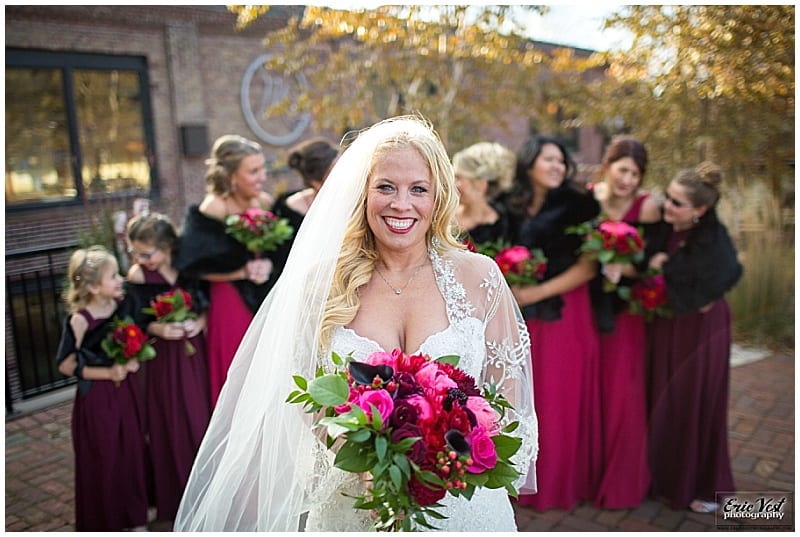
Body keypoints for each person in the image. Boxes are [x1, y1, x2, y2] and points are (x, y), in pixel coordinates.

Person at [174, 115, 538, 531]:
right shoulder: (321, 284)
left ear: (438, 196)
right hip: (355, 503)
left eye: (418, 188)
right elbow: (303, 395)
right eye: (385, 187)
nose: (401, 204)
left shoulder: (480, 276)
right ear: (361, 193)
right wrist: (368, 462)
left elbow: (505, 397)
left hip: (463, 505)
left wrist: (448, 459)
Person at [507, 135, 603, 511]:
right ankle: (519, 476)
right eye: (549, 159)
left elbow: (588, 267)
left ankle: (556, 484)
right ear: (529, 163)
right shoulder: (512, 205)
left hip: (565, 309)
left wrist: (536, 293)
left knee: (557, 395)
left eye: (561, 161)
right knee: (527, 394)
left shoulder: (580, 205)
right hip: (521, 311)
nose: (557, 167)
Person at [645, 162, 742, 513]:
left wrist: (664, 267)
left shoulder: (713, 242)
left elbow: (707, 293)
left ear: (700, 210)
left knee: (696, 400)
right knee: (664, 398)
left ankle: (703, 483)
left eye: (677, 202)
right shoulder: (665, 228)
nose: (667, 205)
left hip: (701, 331)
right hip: (668, 325)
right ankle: (664, 478)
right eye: (667, 196)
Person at [172, 134, 275, 407]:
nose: (261, 177)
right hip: (228, 297)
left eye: (262, 169)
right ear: (231, 176)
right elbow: (193, 264)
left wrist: (266, 263)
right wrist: (241, 272)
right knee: (236, 363)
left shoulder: (262, 202)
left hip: (262, 294)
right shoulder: (214, 207)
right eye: (253, 171)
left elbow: (275, 249)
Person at [125, 213, 211, 528]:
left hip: (193, 353)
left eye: (147, 253)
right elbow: (132, 320)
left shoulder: (187, 265)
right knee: (169, 420)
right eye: (135, 252)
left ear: (166, 246)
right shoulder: (137, 277)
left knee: (200, 414)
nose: (140, 259)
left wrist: (198, 323)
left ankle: (206, 491)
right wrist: (157, 329)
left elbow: (205, 303)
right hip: (162, 358)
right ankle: (174, 498)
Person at [589, 136, 660, 509]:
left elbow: (653, 263)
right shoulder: (590, 198)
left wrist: (623, 267)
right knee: (590, 391)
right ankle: (587, 474)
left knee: (621, 392)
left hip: (628, 312)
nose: (628, 180)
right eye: (622, 170)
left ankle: (621, 481)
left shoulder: (647, 208)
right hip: (587, 307)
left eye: (635, 174)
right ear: (607, 167)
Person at [55, 246, 148, 531]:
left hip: (126, 392)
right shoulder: (80, 320)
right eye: (113, 276)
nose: (120, 279)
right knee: (105, 456)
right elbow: (66, 365)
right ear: (94, 287)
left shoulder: (121, 306)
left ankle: (135, 516)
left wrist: (133, 357)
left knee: (131, 450)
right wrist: (108, 372)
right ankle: (107, 521)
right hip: (98, 398)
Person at [270, 136, 339, 281]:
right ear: (315, 181)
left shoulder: (356, 203)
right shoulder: (286, 210)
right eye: (336, 170)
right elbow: (279, 260)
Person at [452, 141, 515, 245]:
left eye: (459, 177)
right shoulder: (443, 217)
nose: (454, 183)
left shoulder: (503, 224)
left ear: (480, 185)